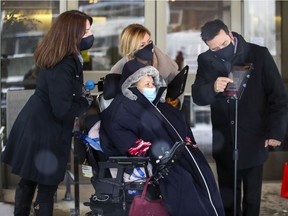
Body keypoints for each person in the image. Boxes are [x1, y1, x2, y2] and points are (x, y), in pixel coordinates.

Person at [99, 58, 225, 216]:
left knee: (204, 173)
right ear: (132, 86)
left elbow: (181, 127)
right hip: (160, 163)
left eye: (153, 83)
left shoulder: (159, 105)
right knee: (184, 181)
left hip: (179, 154)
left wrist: (188, 143)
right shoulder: (123, 108)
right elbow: (121, 135)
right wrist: (152, 152)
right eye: (147, 84)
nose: (152, 87)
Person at [1, 10, 94, 216]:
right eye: (86, 31)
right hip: (45, 131)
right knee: (46, 186)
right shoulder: (64, 63)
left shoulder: (63, 56)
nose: (90, 35)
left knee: (29, 180)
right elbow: (62, 109)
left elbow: (63, 92)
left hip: (37, 124)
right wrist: (84, 102)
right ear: (73, 34)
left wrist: (78, 92)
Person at [192, 19, 288, 216]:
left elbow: (278, 97)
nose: (220, 50)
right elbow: (197, 96)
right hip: (224, 140)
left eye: (223, 44)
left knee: (252, 199)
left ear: (230, 35)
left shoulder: (258, 54)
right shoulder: (205, 60)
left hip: (255, 137)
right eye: (214, 49)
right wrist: (212, 87)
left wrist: (275, 131)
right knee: (228, 199)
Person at [109, 23, 183, 108]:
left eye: (149, 41)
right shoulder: (120, 69)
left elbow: (177, 86)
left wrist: (176, 101)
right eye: (142, 45)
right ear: (130, 47)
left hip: (163, 114)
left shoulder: (164, 62)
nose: (148, 47)